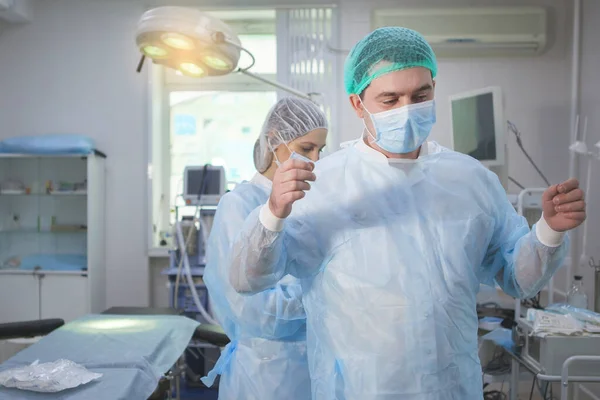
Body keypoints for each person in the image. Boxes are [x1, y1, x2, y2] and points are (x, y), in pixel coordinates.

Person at [228, 27, 587, 399]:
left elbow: (517, 278)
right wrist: (272, 212)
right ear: (358, 105)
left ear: (434, 87)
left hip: (450, 387)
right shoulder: (322, 184)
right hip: (359, 389)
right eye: (390, 99)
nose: (407, 110)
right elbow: (247, 279)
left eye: (420, 95)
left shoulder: (470, 180)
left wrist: (549, 230)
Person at [201, 97, 328, 400]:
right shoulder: (239, 205)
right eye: (306, 148)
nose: (316, 159)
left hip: (314, 364)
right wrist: (323, 298)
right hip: (266, 373)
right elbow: (249, 309)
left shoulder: (311, 204)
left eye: (320, 150)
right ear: (274, 141)